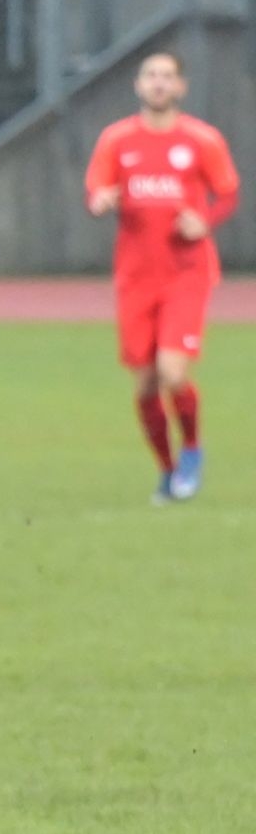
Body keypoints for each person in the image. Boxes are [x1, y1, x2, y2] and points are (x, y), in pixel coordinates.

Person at [86, 52, 240, 504]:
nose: (158, 83)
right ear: (138, 85)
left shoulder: (201, 140)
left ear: (181, 88)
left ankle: (192, 448)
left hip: (186, 274)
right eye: (151, 75)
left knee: (173, 371)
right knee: (146, 384)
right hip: (135, 276)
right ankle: (167, 471)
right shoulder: (116, 140)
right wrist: (101, 202)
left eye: (167, 76)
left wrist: (205, 220)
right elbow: (97, 189)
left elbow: (227, 192)